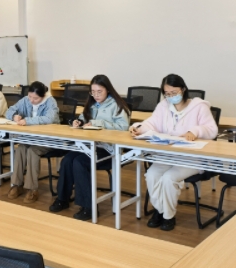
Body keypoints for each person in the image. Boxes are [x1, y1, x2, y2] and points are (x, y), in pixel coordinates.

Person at [129, 74, 218, 231]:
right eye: (167, 93)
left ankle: (168, 216)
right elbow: (152, 123)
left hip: (191, 158)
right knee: (152, 175)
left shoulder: (199, 106)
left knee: (169, 178)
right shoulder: (164, 106)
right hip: (168, 155)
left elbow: (212, 130)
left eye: (174, 92)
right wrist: (139, 128)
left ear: (183, 89)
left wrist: (195, 131)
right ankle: (160, 210)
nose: (170, 96)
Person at [49, 75, 130, 221]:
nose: (96, 95)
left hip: (109, 150)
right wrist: (78, 122)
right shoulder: (91, 105)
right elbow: (83, 119)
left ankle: (89, 207)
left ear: (108, 90)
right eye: (93, 92)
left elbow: (123, 128)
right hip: (90, 146)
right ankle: (62, 198)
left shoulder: (117, 105)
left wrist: (99, 123)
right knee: (67, 160)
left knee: (79, 162)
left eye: (99, 91)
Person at [5, 81, 59, 204]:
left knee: (32, 151)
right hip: (31, 138)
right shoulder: (25, 100)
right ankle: (16, 184)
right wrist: (14, 116)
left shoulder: (50, 102)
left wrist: (28, 121)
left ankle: (32, 188)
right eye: (30, 96)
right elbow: (9, 110)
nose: (32, 100)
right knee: (20, 149)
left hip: (48, 139)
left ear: (43, 96)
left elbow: (50, 118)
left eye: (36, 98)